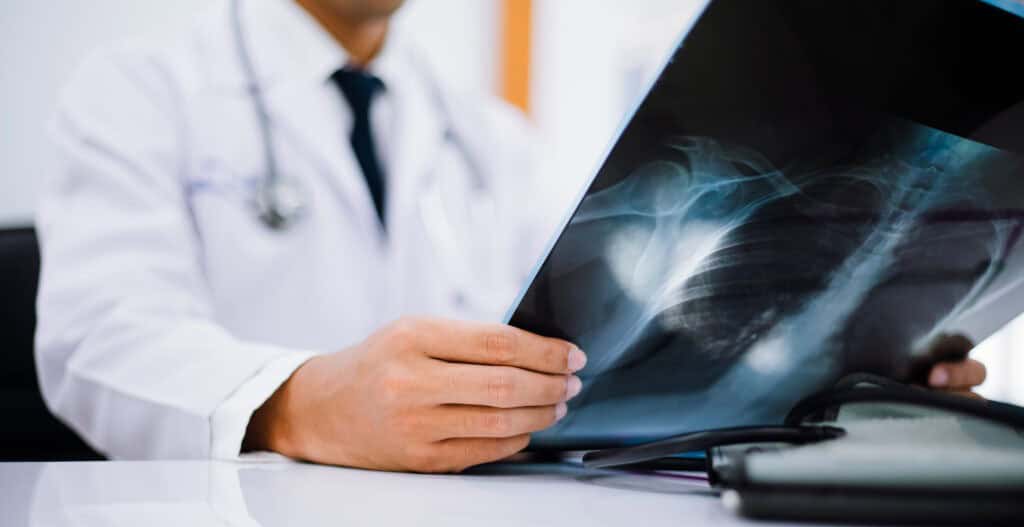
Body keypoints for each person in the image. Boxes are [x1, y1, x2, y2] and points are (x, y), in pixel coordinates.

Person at [34, 0, 987, 472]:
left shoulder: (487, 133)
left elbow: (597, 348)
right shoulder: (142, 86)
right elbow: (96, 341)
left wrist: (830, 369)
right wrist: (299, 402)